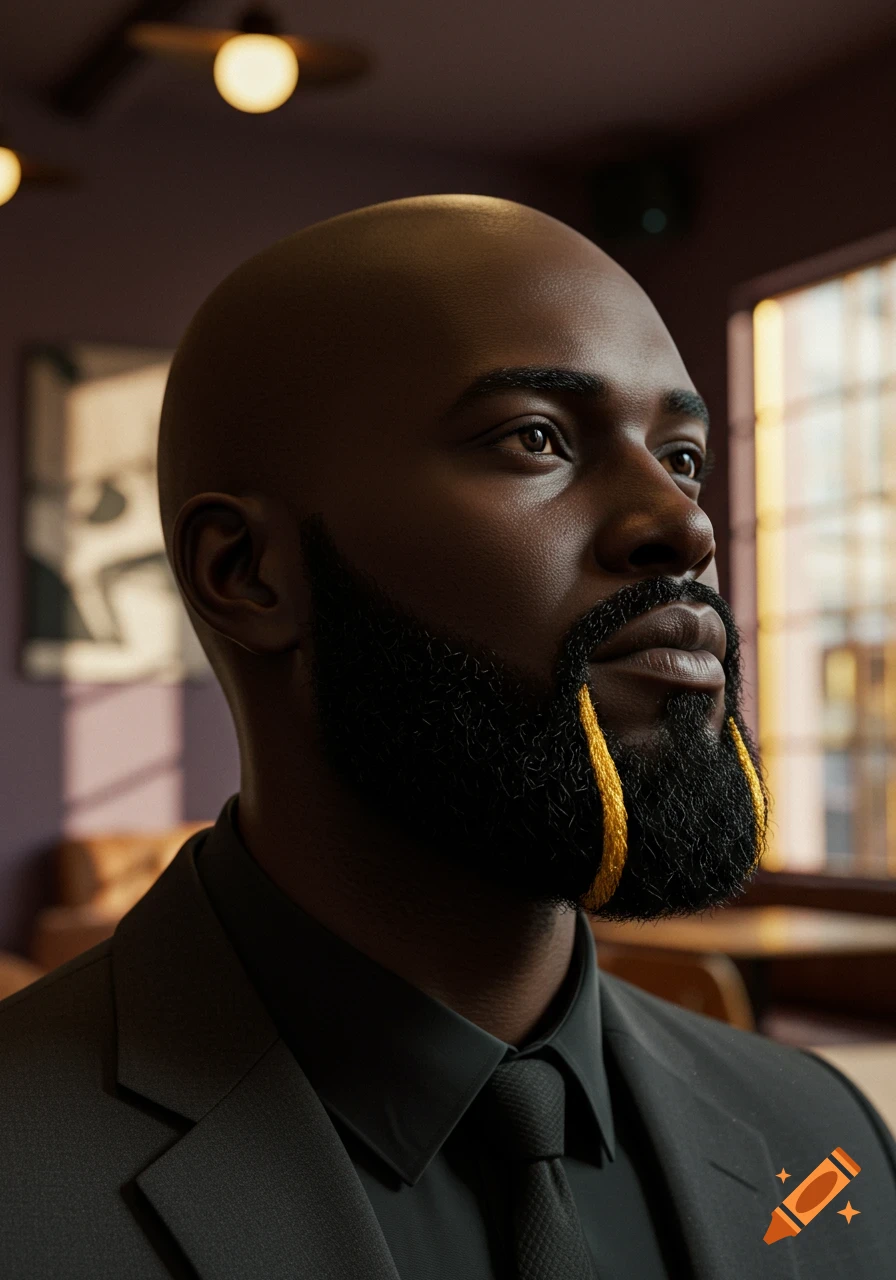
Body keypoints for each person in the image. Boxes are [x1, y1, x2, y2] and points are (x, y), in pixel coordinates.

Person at [1, 195, 894, 1280]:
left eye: (684, 456)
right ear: (246, 572)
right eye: (535, 438)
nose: (684, 524)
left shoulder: (823, 1138)